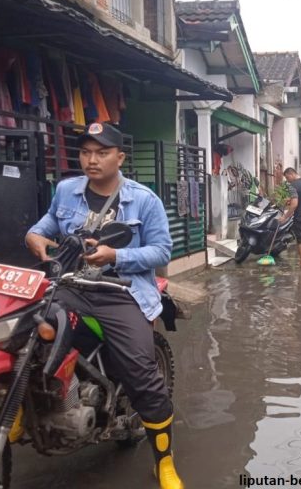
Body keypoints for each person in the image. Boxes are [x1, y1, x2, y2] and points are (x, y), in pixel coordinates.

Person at [25, 122, 183, 489]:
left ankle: (165, 462)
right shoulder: (65, 190)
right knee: (28, 336)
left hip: (120, 291)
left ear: (120, 157)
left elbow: (161, 251)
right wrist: (34, 236)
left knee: (143, 377)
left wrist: (118, 255)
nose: (92, 160)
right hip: (68, 285)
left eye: (102, 152)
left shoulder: (144, 199)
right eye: (85, 152)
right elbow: (46, 224)